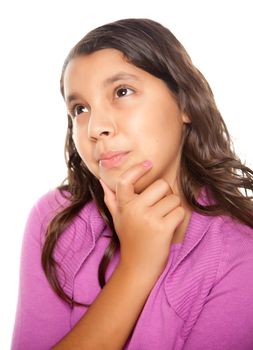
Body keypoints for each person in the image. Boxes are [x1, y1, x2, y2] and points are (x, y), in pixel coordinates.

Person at [11, 18, 253, 350]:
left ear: (184, 103)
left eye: (122, 92)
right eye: (80, 109)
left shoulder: (241, 252)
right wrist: (137, 267)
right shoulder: (56, 219)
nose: (96, 127)